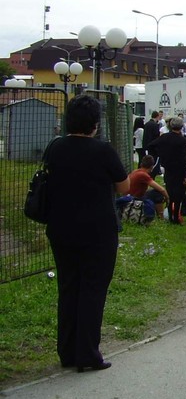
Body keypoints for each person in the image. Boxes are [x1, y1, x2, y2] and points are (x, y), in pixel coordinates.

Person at [44, 94, 130, 372]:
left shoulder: (55, 148)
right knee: (93, 289)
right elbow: (124, 187)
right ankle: (87, 353)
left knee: (68, 287)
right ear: (95, 123)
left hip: (60, 227)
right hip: (97, 231)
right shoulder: (102, 151)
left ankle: (66, 351)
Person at [148, 116, 186, 225]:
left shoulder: (164, 137)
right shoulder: (182, 140)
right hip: (179, 170)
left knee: (169, 192)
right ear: (181, 126)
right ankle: (176, 216)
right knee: (179, 194)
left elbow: (151, 145)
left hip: (168, 168)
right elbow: (184, 159)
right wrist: (185, 176)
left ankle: (170, 214)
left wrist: (160, 155)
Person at [142, 110, 163, 177]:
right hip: (153, 148)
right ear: (157, 116)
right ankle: (152, 174)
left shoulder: (147, 124)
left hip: (146, 146)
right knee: (154, 163)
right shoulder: (155, 125)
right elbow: (156, 137)